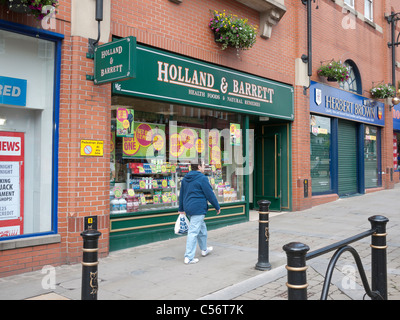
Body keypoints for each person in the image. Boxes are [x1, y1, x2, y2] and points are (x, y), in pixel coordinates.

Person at [178, 160, 221, 264]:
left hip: (188, 207)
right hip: (198, 208)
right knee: (193, 232)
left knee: (202, 229)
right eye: (203, 165)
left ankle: (204, 249)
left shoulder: (185, 178)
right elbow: (210, 194)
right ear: (198, 166)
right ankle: (189, 257)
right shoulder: (202, 178)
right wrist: (217, 206)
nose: (204, 167)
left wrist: (181, 209)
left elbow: (182, 194)